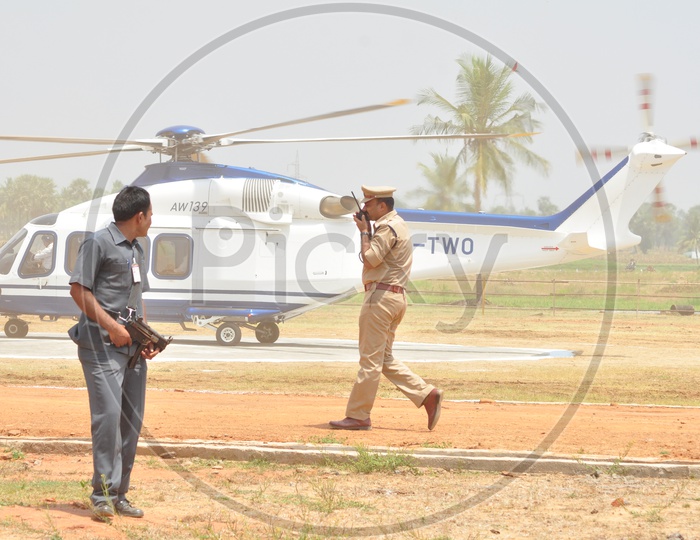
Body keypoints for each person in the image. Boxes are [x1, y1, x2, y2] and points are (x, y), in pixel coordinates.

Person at [68, 186, 159, 520]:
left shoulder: (138, 249)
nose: (152, 219)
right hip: (101, 348)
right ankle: (102, 495)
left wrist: (146, 336)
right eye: (151, 214)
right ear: (140, 216)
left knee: (130, 422)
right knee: (107, 419)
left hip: (131, 350)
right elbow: (79, 290)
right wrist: (112, 327)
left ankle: (120, 494)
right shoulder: (99, 242)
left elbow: (138, 299)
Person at [329, 185, 443, 431]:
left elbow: (371, 258)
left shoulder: (387, 227)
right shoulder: (399, 224)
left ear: (382, 205)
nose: (364, 209)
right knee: (384, 358)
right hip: (395, 297)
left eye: (368, 205)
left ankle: (358, 416)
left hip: (380, 298)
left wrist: (363, 232)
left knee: (370, 361)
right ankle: (426, 394)